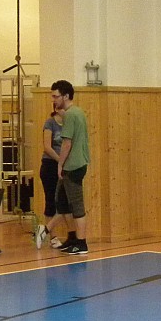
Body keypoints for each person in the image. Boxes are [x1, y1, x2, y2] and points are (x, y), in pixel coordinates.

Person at [52, 79, 91, 255]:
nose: (54, 100)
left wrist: (60, 164)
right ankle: (73, 238)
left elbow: (67, 143)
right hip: (76, 163)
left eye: (56, 96)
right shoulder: (77, 112)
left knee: (76, 205)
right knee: (62, 201)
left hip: (73, 165)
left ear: (66, 96)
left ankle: (81, 243)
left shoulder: (70, 115)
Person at [36, 104, 66, 249]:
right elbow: (47, 147)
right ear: (56, 109)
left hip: (64, 166)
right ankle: (52, 237)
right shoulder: (50, 123)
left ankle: (45, 229)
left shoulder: (68, 124)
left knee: (64, 201)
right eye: (62, 109)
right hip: (50, 165)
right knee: (51, 201)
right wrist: (60, 160)